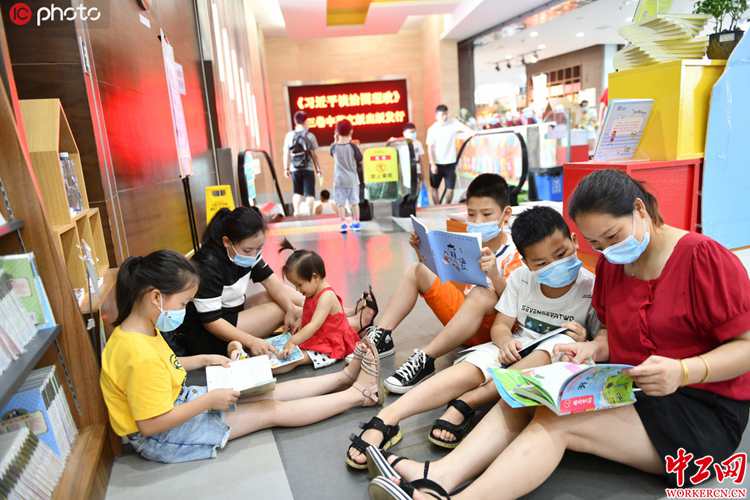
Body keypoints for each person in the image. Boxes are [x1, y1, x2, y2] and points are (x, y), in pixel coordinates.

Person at [364, 170, 750, 499]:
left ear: (639, 210)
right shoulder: (613, 266)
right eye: (596, 244)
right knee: (524, 390)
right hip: (634, 390)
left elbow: (745, 347)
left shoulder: (703, 258)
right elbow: (612, 333)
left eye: (612, 236)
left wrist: (683, 371)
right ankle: (440, 476)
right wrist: (592, 348)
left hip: (700, 411)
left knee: (558, 421)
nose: (607, 250)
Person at [345, 207, 599, 468]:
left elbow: (601, 341)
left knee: (560, 344)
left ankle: (467, 402)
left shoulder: (592, 287)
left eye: (561, 254)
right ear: (526, 262)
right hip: (517, 346)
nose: (554, 265)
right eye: (542, 264)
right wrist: (504, 342)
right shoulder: (522, 279)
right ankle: (388, 418)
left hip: (553, 361)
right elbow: (502, 325)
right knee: (472, 367)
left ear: (574, 241)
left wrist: (586, 339)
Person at [99, 250, 384, 464]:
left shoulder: (139, 330)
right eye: (184, 303)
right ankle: (358, 394)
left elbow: (163, 367)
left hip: (178, 402)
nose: (183, 310)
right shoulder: (137, 354)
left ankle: (344, 377)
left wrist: (204, 360)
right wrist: (208, 401)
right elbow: (151, 424)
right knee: (269, 410)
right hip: (165, 437)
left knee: (269, 390)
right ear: (155, 297)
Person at [344, 174, 523, 467]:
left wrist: (493, 273)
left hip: (493, 328)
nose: (477, 220)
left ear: (505, 215)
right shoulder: (467, 243)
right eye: (472, 214)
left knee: (483, 294)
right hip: (465, 319)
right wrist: (423, 253)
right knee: (418, 271)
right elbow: (449, 282)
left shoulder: (514, 253)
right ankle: (382, 334)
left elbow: (513, 305)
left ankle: (425, 358)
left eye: (486, 214)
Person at [176, 206, 375, 357]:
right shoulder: (207, 265)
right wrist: (252, 341)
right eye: (249, 250)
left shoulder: (245, 251)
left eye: (259, 248)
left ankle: (340, 311)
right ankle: (346, 323)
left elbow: (272, 283)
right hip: (208, 335)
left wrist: (291, 308)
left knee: (282, 297)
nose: (254, 254)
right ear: (227, 242)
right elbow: (212, 322)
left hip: (231, 312)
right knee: (278, 310)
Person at [270, 239, 360, 372]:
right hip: (318, 337)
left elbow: (314, 325)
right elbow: (309, 310)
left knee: (297, 358)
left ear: (315, 277)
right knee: (293, 349)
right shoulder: (312, 291)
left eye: (299, 284)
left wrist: (293, 341)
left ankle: (270, 370)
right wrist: (301, 321)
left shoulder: (326, 296)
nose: (297, 290)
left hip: (331, 344)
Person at [426, 104, 474, 205]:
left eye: (445, 114)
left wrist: (468, 134)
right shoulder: (432, 129)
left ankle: (446, 206)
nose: (444, 117)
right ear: (436, 116)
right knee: (434, 187)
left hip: (450, 163)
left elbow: (468, 130)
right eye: (442, 115)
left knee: (450, 189)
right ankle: (437, 207)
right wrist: (433, 164)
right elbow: (430, 148)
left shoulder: (453, 123)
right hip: (437, 163)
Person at [283, 111, 321, 216]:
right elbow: (314, 155)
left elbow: (286, 153)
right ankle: (310, 213)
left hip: (294, 168)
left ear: (295, 121)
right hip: (308, 168)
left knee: (297, 192)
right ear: (305, 121)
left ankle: (297, 211)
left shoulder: (289, 136)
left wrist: (286, 168)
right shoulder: (310, 136)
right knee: (310, 194)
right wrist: (318, 169)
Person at [331, 119, 362, 233]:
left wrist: (335, 140)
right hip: (352, 180)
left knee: (341, 203)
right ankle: (356, 223)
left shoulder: (334, 147)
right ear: (351, 131)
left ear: (337, 132)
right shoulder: (353, 147)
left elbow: (331, 153)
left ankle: (343, 224)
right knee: (354, 203)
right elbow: (360, 158)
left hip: (339, 180)